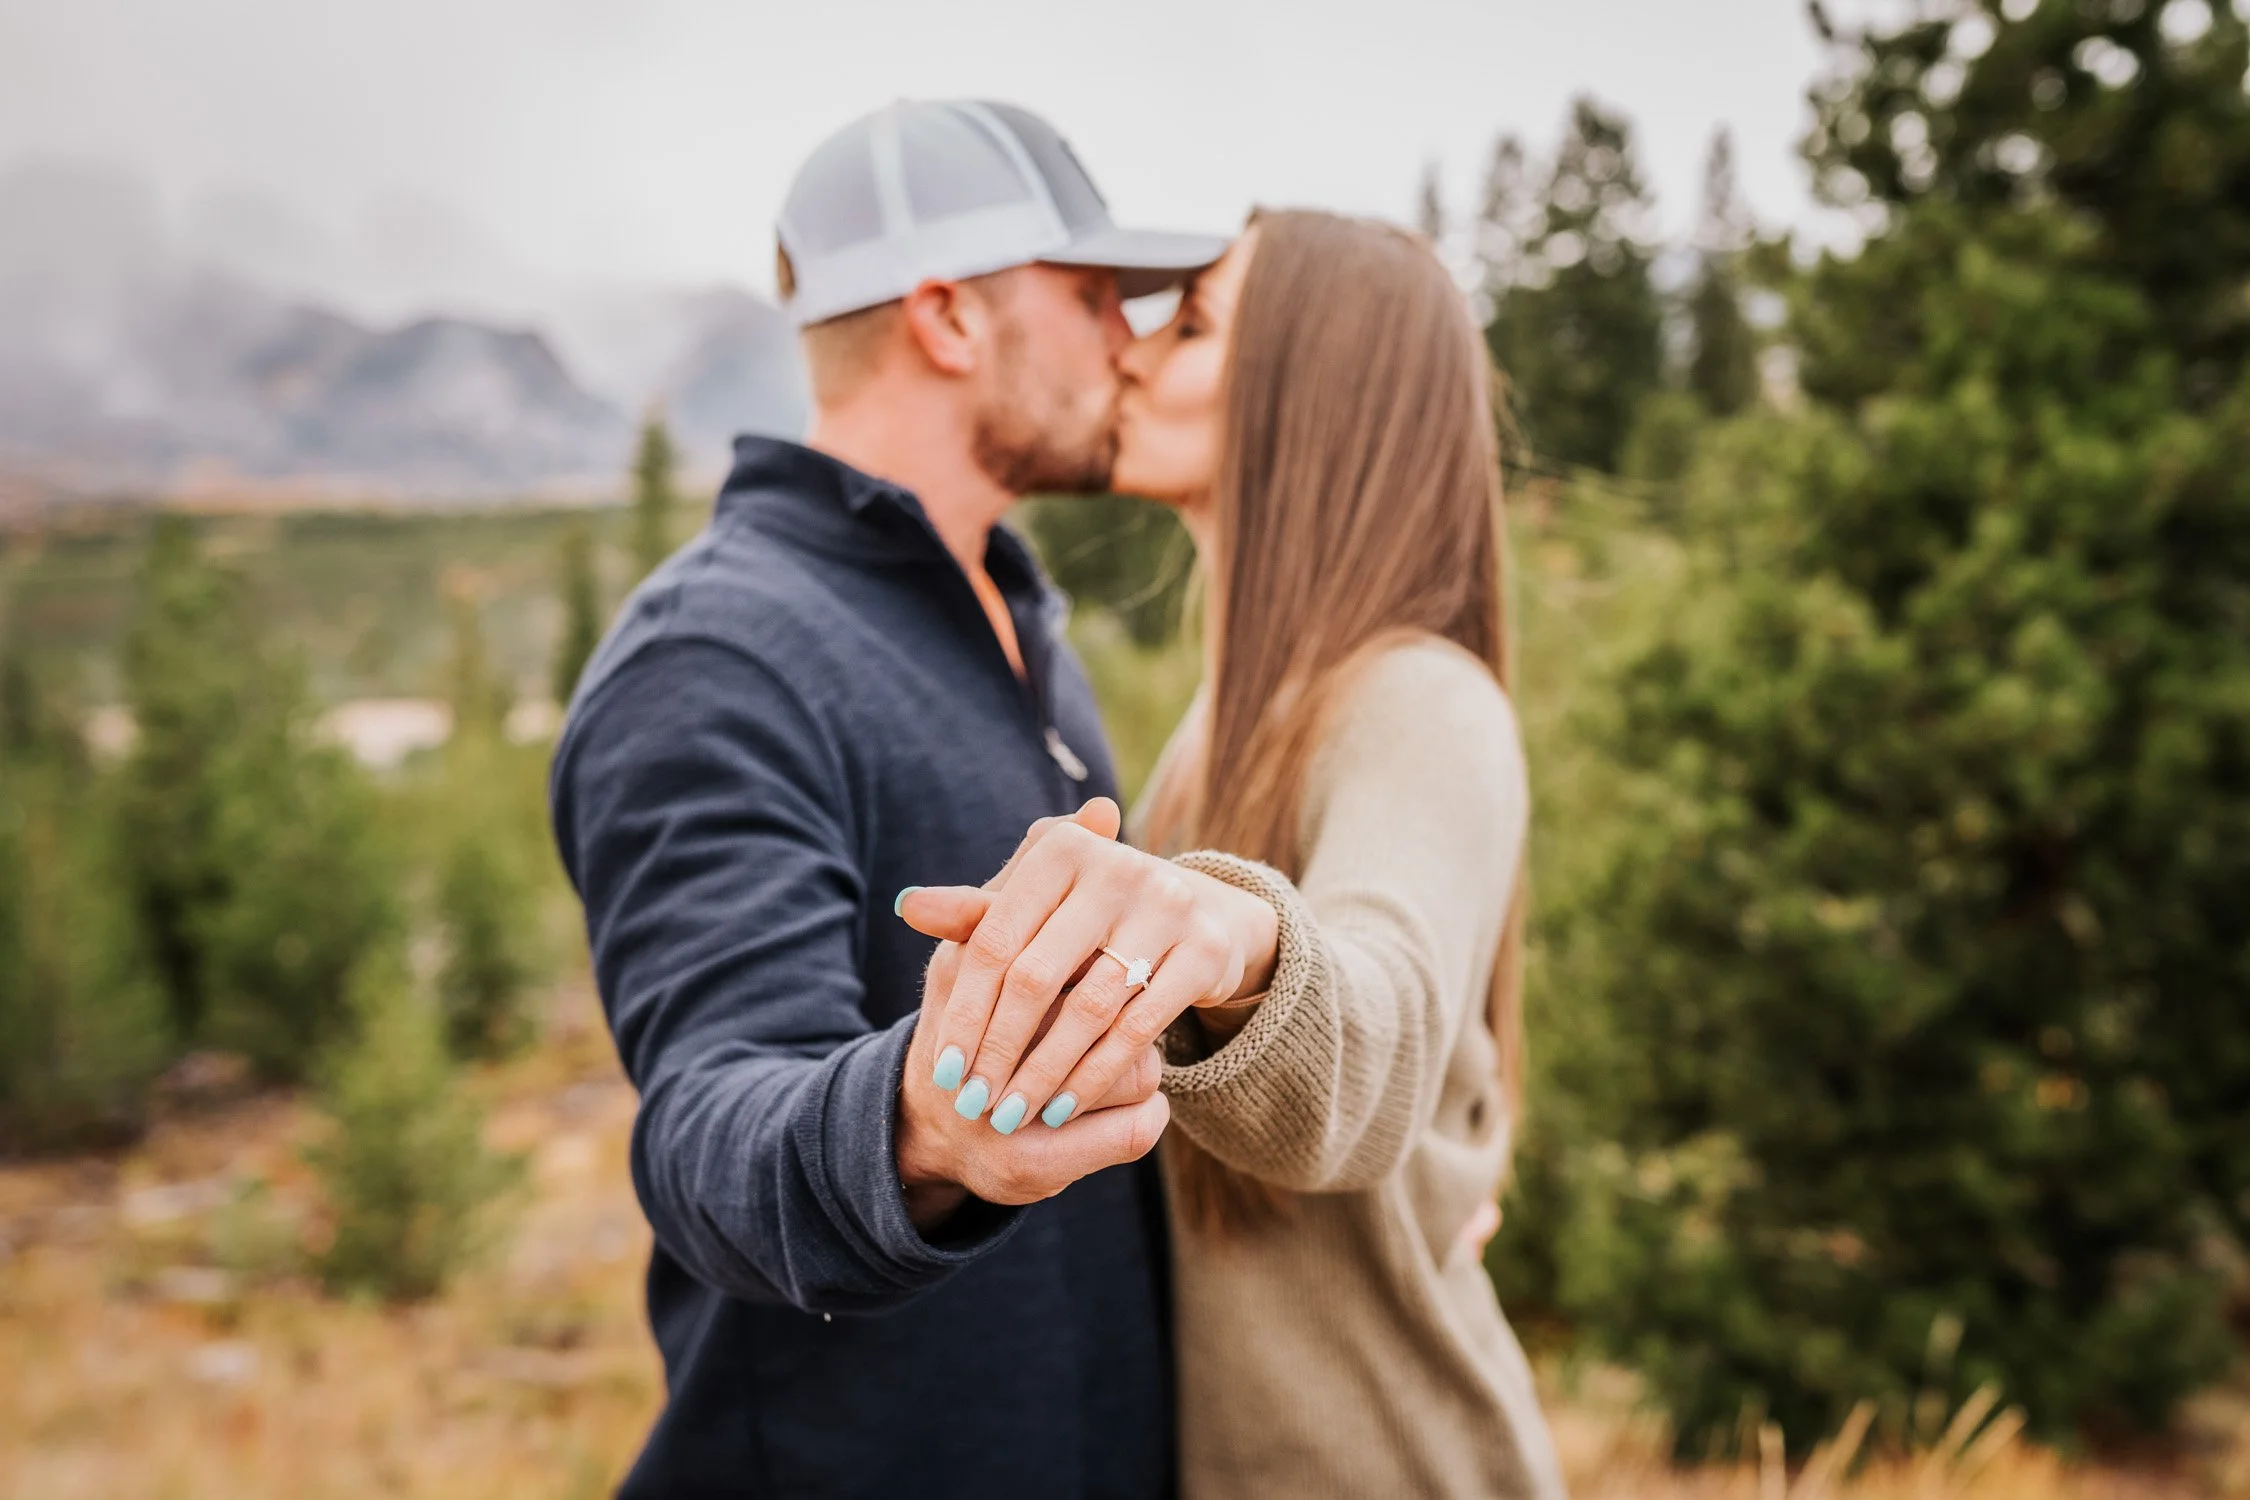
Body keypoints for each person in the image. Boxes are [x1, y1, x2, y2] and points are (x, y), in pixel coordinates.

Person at [549, 99, 1230, 1498]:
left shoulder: (1016, 614)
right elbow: (704, 1125)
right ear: (946, 317)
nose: (1128, 337)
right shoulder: (717, 656)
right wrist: (920, 1127)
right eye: (1094, 294)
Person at [899, 211, 1570, 1498]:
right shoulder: (1230, 725)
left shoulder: (1418, 699)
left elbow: (1380, 1026)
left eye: (1193, 323)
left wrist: (1234, 934)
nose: (1136, 355)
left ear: (1312, 395)